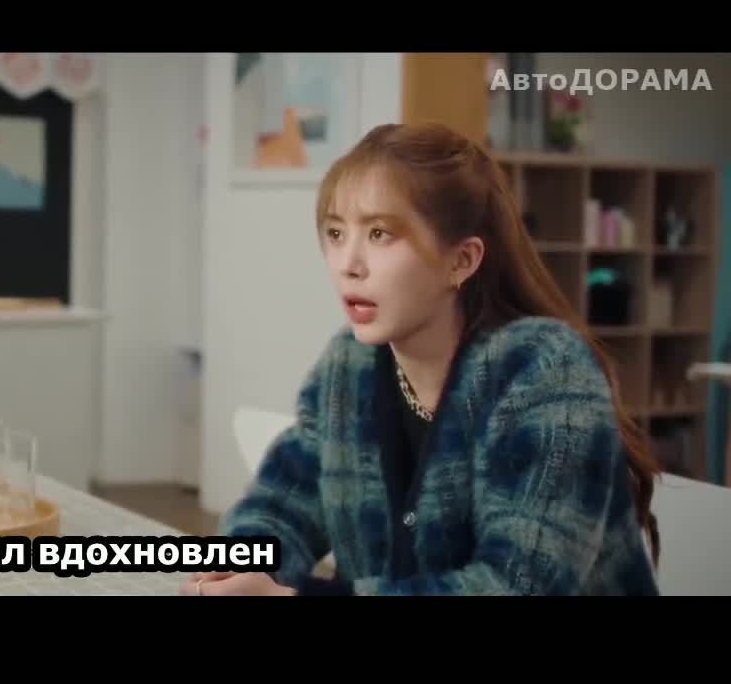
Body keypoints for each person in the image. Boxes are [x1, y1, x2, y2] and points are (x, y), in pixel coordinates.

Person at [182, 122, 662, 596]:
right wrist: (233, 570)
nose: (348, 264)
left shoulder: (544, 371)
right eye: (335, 232)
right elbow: (282, 503)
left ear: (462, 260)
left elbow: (515, 585)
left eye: (379, 234)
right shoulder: (349, 365)